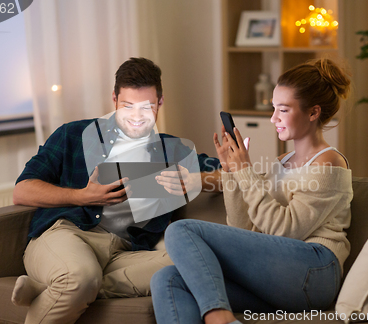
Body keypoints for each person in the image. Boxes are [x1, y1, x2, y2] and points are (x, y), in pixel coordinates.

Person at [11, 57, 221, 324]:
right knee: (80, 276)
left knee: (195, 262)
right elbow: (22, 190)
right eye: (127, 107)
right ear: (114, 99)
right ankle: (72, 285)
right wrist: (82, 196)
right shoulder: (73, 135)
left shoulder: (172, 150)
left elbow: (227, 176)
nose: (137, 118)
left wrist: (196, 181)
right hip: (67, 232)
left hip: (126, 250)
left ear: (160, 103)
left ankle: (53, 290)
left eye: (147, 107)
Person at [150, 58, 353, 324]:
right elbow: (244, 228)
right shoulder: (281, 163)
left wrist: (245, 170)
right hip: (279, 273)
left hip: (314, 271)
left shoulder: (329, 163)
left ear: (313, 112)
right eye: (273, 108)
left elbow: (286, 230)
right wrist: (233, 173)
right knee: (167, 279)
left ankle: (221, 318)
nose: (273, 118)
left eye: (283, 110)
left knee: (180, 229)